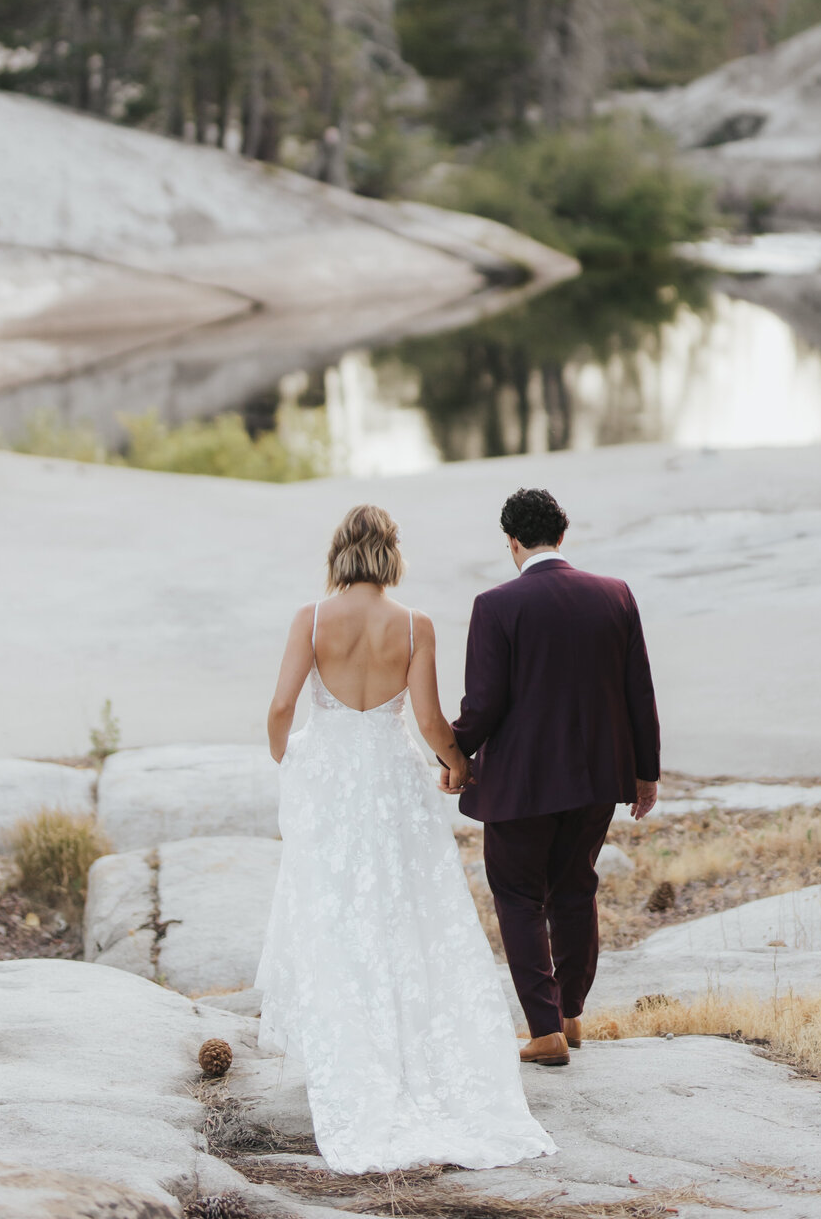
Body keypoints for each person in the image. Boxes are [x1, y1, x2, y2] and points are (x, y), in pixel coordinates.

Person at [254, 503, 554, 1175]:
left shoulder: (311, 618)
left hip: (331, 776)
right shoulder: (415, 626)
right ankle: (415, 1054)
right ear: (391, 555)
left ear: (339, 553)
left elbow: (280, 708)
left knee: (332, 910)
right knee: (407, 912)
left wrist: (288, 758)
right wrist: (458, 763)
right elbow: (426, 720)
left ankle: (351, 1051)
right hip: (393, 781)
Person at [444, 487, 661, 1068]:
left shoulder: (495, 606)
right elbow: (638, 692)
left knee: (517, 897)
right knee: (575, 888)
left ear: (512, 542)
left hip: (520, 785)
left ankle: (545, 1032)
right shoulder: (615, 595)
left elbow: (483, 703)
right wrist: (645, 774)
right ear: (562, 537)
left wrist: (452, 754)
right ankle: (570, 1015)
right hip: (595, 781)